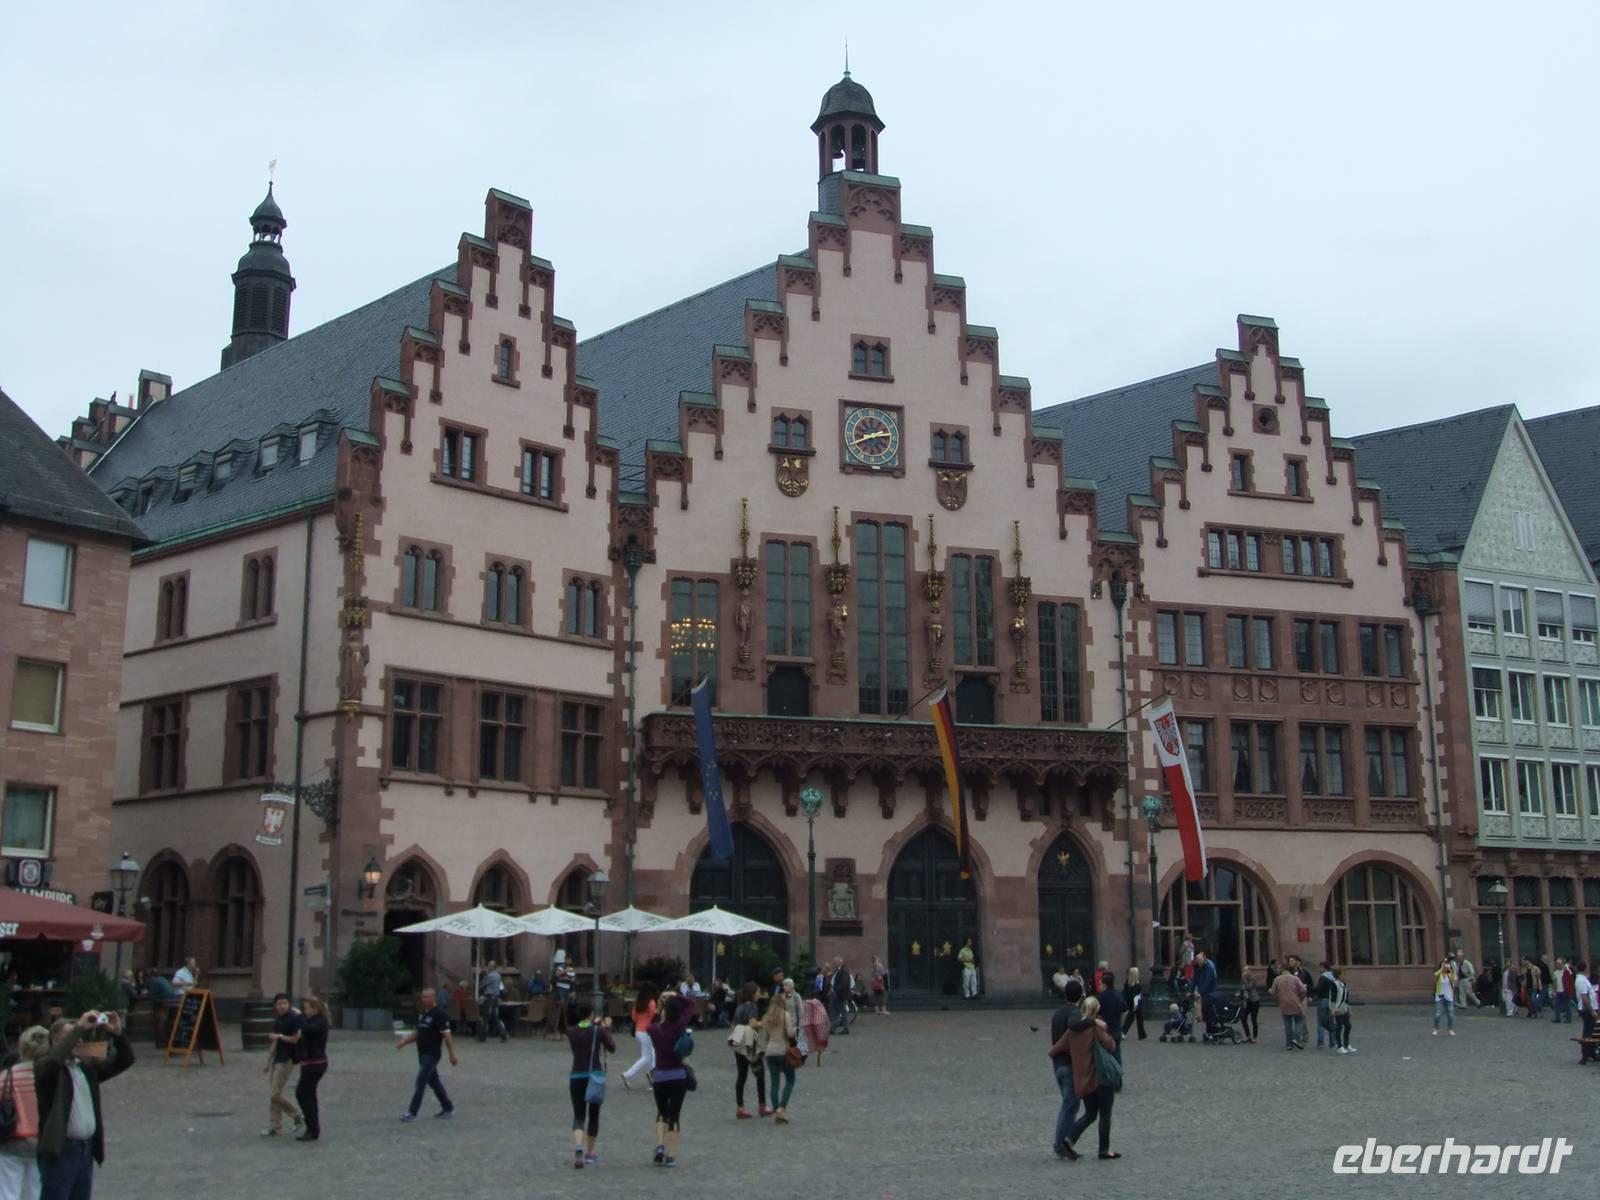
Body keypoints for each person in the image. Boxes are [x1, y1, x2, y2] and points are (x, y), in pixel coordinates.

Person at [34, 1010, 135, 1200]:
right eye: (72, 1037)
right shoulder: (47, 1069)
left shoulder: (85, 1068)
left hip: (85, 1149)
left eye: (80, 1037)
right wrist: (80, 1027)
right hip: (61, 1150)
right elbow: (55, 1060)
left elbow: (125, 1060)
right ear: (56, 1040)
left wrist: (117, 1034)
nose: (78, 1041)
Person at [1049, 995, 1119, 1161]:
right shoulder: (1095, 1028)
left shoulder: (1071, 1032)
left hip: (1083, 1081)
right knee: (1105, 1114)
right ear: (1096, 1011)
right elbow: (1111, 1045)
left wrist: (1075, 1056)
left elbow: (1054, 1050)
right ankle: (1104, 1149)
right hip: (1100, 1076)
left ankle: (1068, 1139)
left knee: (1090, 1114)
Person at [644, 994, 696, 1166]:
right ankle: (671, 1155)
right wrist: (676, 995)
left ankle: (660, 1145)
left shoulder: (655, 1030)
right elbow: (691, 1004)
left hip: (659, 1076)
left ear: (665, 1011)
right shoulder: (680, 1026)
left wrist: (659, 1007)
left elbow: (651, 1022)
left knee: (661, 1112)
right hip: (678, 1076)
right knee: (674, 1116)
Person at [0, 1025, 48, 1200]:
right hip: (43, 1141)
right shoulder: (50, 1075)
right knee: (36, 1192)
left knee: (8, 1192)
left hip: (12, 1140)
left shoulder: (7, 1076)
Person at [395, 987, 457, 1121]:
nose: (424, 999)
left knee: (420, 1081)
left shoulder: (440, 1014)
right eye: (423, 997)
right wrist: (405, 1041)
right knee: (434, 1082)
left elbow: (447, 1036)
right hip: (422, 1054)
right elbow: (418, 1032)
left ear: (434, 998)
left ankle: (412, 1113)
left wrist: (452, 1054)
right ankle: (448, 1107)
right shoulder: (423, 1013)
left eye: (427, 997)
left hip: (432, 1055)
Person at [566, 1002, 615, 1169]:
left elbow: (582, 1029)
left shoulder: (571, 1032)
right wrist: (605, 1028)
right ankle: (590, 1152)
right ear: (592, 1013)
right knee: (594, 1116)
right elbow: (612, 1047)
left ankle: (578, 1145)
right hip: (595, 1076)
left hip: (576, 1076)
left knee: (579, 1115)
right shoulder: (598, 1030)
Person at [1048, 979, 1084, 1158]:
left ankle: (1065, 1143)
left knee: (1070, 1104)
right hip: (1069, 1064)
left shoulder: (1057, 1013)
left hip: (1057, 1064)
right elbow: (1074, 1027)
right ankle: (1060, 1144)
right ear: (1080, 995)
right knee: (1069, 1105)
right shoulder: (1074, 1013)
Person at [261, 992, 304, 1137]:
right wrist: (268, 1062)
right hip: (277, 1059)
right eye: (279, 1003)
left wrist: (279, 1036)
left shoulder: (294, 1019)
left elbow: (295, 1039)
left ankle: (296, 1114)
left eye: (285, 1003)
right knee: (274, 1094)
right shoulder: (278, 1020)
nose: (282, 1006)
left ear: (289, 1004)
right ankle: (275, 1126)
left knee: (275, 1094)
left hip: (287, 1060)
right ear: (275, 1006)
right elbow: (274, 1043)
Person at [762, 979, 800, 1125]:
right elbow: (790, 1034)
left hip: (770, 1052)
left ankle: (777, 1108)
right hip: (783, 1051)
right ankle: (782, 1108)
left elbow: (765, 1037)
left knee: (774, 1083)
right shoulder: (785, 1015)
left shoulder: (766, 1017)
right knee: (790, 1079)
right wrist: (794, 1030)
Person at [292, 995, 330, 1142]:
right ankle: (313, 1128)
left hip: (316, 1063)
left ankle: (312, 1127)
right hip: (309, 1063)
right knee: (309, 1095)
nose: (304, 1011)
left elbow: (309, 1029)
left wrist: (300, 1016)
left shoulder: (320, 1021)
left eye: (306, 1009)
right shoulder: (312, 1020)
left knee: (302, 1094)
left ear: (314, 1009)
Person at [729, 982, 769, 1118]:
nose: (759, 994)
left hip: (739, 1045)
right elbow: (753, 1024)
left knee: (741, 1075)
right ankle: (762, 1106)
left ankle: (740, 1107)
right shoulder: (752, 1006)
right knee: (760, 1074)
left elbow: (733, 1025)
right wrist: (763, 1023)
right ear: (752, 994)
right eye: (757, 992)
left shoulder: (739, 1007)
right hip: (750, 1045)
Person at [622, 986, 657, 1090]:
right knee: (647, 1056)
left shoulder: (637, 1003)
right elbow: (653, 1017)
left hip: (638, 1031)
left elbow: (634, 1018)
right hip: (647, 1032)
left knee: (651, 1054)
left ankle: (653, 1077)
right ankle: (627, 1074)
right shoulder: (651, 1002)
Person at [1270, 962, 1307, 1049]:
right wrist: (1301, 999)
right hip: (1295, 1003)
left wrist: (1277, 998)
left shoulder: (1277, 979)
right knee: (1299, 1021)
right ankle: (1296, 1038)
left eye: (1279, 968)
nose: (1278, 969)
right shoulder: (1295, 979)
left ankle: (1289, 1044)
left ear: (1283, 969)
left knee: (1288, 1024)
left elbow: (1272, 992)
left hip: (1284, 1004)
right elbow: (1303, 990)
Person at [477, 961, 507, 1043]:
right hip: (495, 997)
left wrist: (481, 975)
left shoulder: (490, 976)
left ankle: (482, 1036)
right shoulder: (498, 976)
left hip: (490, 997)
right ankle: (503, 1033)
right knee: (495, 1016)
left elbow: (481, 985)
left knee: (485, 1016)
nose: (488, 967)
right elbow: (501, 988)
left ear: (492, 967)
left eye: (489, 965)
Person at [802, 983, 831, 1067]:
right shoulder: (818, 1003)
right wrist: (827, 1024)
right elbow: (824, 1014)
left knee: (805, 1042)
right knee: (819, 1042)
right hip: (819, 1023)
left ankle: (802, 1058)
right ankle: (817, 1058)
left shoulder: (805, 1003)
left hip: (806, 1023)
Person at [1097, 972, 1126, 1053]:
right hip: (1117, 1029)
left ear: (1104, 984)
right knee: (1117, 1052)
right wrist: (1121, 1023)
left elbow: (1097, 1014)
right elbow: (1125, 1011)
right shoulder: (1119, 995)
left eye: (1101, 983)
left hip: (1105, 1030)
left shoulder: (1100, 997)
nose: (1099, 985)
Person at [1574, 961, 1597, 1064]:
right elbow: (1584, 997)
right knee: (1588, 1032)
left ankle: (1592, 1053)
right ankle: (1586, 1055)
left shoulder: (1582, 979)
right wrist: (1592, 1010)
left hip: (1589, 1008)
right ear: (1585, 969)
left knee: (1592, 1032)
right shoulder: (1581, 980)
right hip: (1587, 1009)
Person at [1328, 968, 1355, 1054]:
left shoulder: (1344, 984)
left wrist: (1349, 1009)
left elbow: (1346, 998)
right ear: (1339, 975)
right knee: (1339, 1027)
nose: (1345, 976)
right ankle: (1339, 1046)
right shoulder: (1334, 984)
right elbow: (1333, 998)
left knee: (1348, 1026)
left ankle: (1347, 1044)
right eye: (1343, 974)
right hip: (1337, 1009)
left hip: (1344, 1008)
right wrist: (1333, 1009)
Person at [1313, 962, 1336, 1049]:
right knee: (1331, 1021)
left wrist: (1310, 988)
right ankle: (1333, 1041)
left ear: (1323, 968)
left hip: (1323, 1000)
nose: (1319, 969)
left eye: (1320, 968)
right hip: (1332, 1001)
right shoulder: (1334, 976)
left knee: (1321, 1022)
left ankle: (1320, 1042)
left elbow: (1319, 989)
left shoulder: (1323, 977)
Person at [1432, 959, 1457, 1036]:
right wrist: (1441, 969)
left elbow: (1454, 979)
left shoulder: (1449, 974)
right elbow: (1435, 975)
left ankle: (1450, 1029)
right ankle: (1436, 1028)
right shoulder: (1438, 974)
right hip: (1439, 996)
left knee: (1451, 1014)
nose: (1445, 966)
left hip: (1448, 996)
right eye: (1444, 965)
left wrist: (1449, 970)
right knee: (1437, 1014)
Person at [827, 958, 851, 1035]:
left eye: (835, 962)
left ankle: (846, 1028)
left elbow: (844, 983)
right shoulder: (836, 971)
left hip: (840, 995)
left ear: (839, 963)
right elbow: (833, 981)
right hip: (833, 994)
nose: (833, 964)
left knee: (843, 1011)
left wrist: (836, 991)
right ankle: (832, 1028)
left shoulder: (844, 971)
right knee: (833, 1012)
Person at [1121, 967, 1145, 1040]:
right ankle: (1141, 1034)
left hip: (1130, 1002)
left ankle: (1141, 1034)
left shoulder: (1128, 983)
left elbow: (1125, 993)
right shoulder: (1137, 985)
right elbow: (1137, 995)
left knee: (1132, 1017)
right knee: (1138, 1018)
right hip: (1136, 1003)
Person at [1239, 970, 1261, 1043]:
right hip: (1246, 1001)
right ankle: (1248, 1036)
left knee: (1254, 1019)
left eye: (1246, 971)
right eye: (1243, 971)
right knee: (1243, 1018)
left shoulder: (1253, 979)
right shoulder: (1243, 980)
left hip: (1254, 1001)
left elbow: (1249, 987)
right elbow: (1242, 989)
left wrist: (1244, 980)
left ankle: (1255, 1037)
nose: (1244, 972)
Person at [1553, 957, 1574, 1024]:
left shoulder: (1566, 971)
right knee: (1556, 1005)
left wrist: (1567, 967)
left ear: (1562, 964)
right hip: (1558, 991)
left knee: (1567, 1005)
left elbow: (1571, 976)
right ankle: (1557, 1018)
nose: (1558, 965)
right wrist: (1554, 991)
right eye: (1557, 963)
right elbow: (1555, 982)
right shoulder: (1555, 972)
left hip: (1565, 990)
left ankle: (1568, 1019)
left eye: (1559, 963)